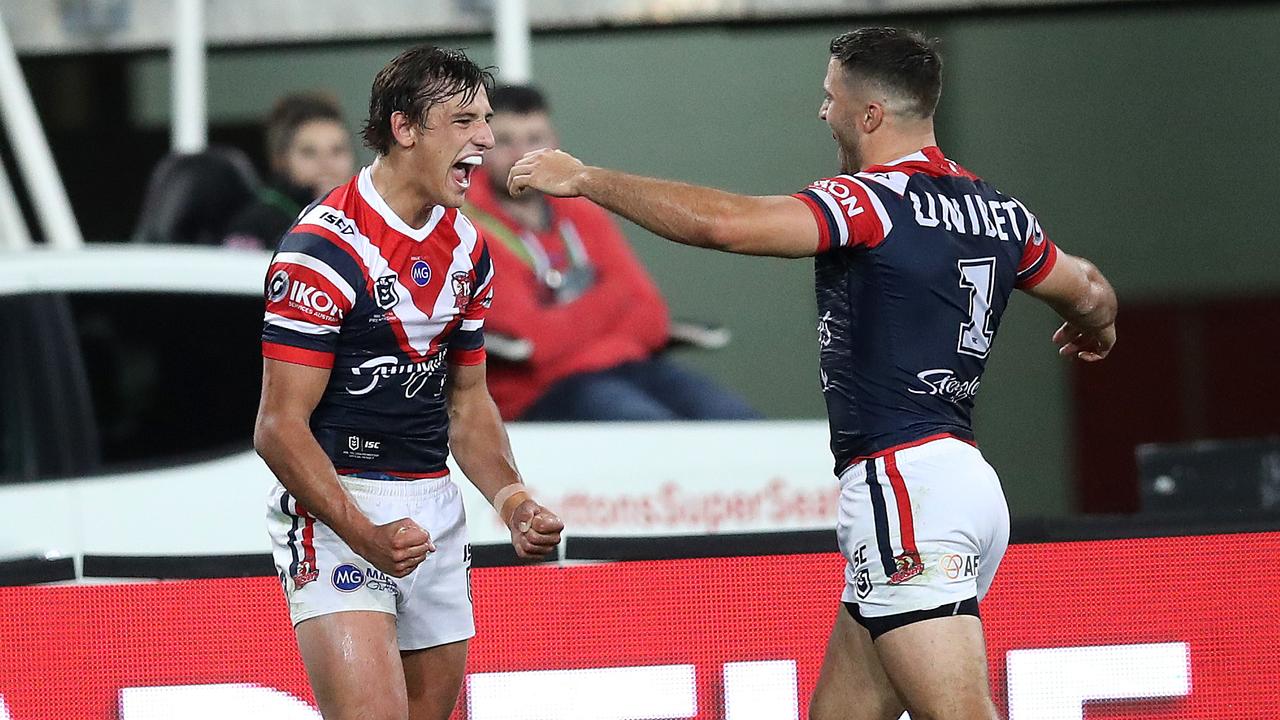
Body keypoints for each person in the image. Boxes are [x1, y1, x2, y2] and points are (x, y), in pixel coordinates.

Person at [509, 27, 1116, 720]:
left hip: (904, 486)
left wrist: (586, 179)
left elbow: (727, 226)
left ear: (870, 116)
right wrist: (1098, 327)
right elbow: (1090, 289)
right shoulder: (1001, 212)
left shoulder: (867, 203)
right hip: (966, 485)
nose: (820, 113)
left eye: (830, 99)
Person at [254, 47, 563, 720]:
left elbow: (468, 401)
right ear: (405, 128)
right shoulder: (323, 249)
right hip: (339, 512)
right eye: (465, 120)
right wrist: (362, 532)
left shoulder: (469, 247)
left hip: (433, 511)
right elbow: (278, 428)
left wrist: (510, 500)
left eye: (485, 119)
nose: (485, 137)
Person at [464, 84, 759, 421]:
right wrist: (612, 296)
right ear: (483, 147)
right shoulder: (467, 224)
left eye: (535, 140)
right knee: (653, 433)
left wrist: (570, 321)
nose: (521, 155)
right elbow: (535, 344)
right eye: (504, 142)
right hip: (542, 392)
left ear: (554, 143)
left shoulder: (582, 208)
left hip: (631, 368)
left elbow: (652, 315)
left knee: (740, 422)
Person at [223, 92, 356, 250]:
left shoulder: (373, 217)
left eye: (337, 151)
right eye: (309, 152)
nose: (326, 165)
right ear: (280, 160)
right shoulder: (255, 224)